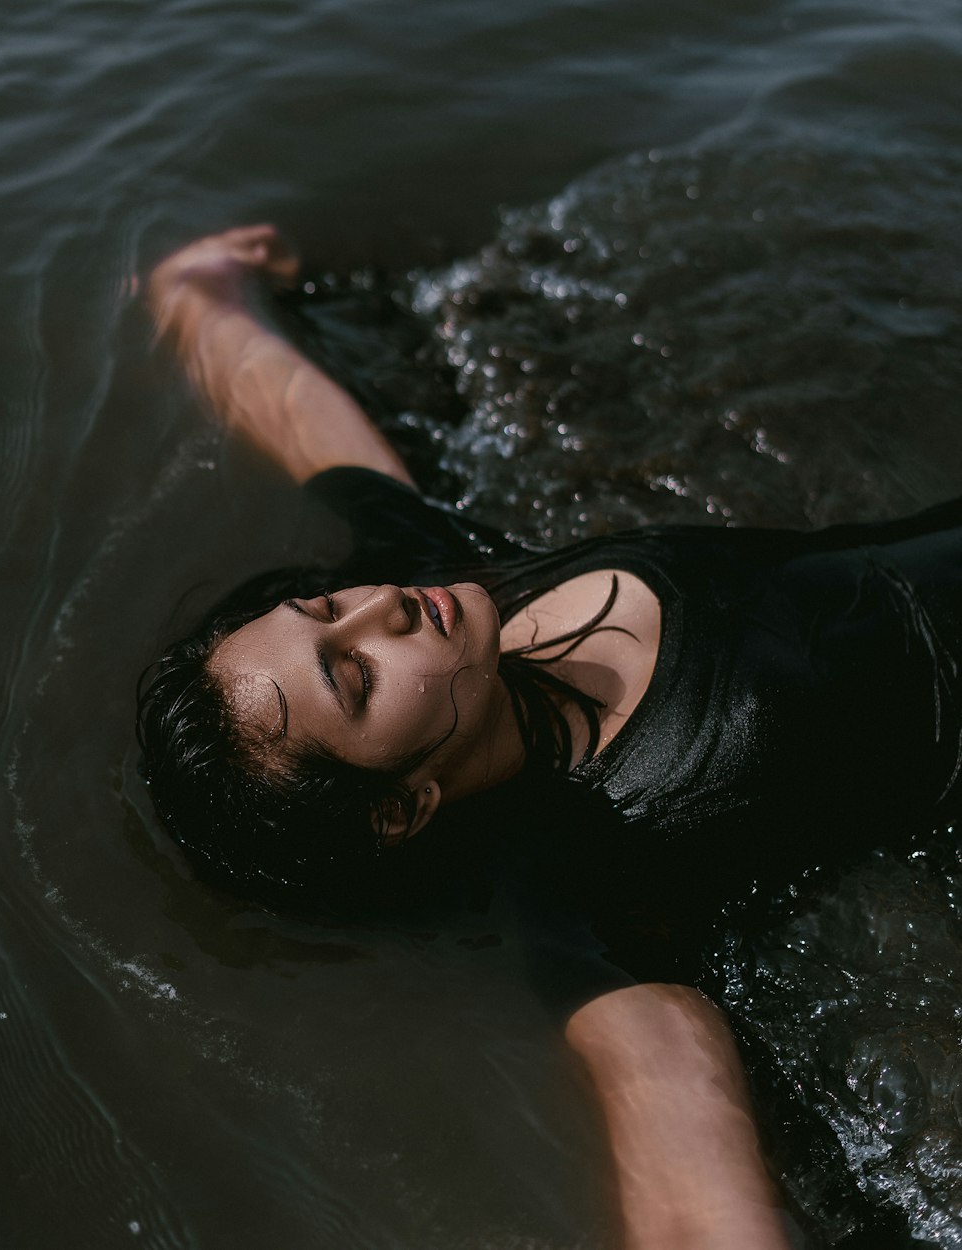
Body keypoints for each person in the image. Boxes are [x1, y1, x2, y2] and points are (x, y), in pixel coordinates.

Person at [138, 225, 962, 1250]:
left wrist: (200, 296)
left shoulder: (448, 580)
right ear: (401, 805)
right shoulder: (598, 887)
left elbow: (305, 420)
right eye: (348, 674)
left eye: (323, 606)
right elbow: (689, 1196)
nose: (376, 609)